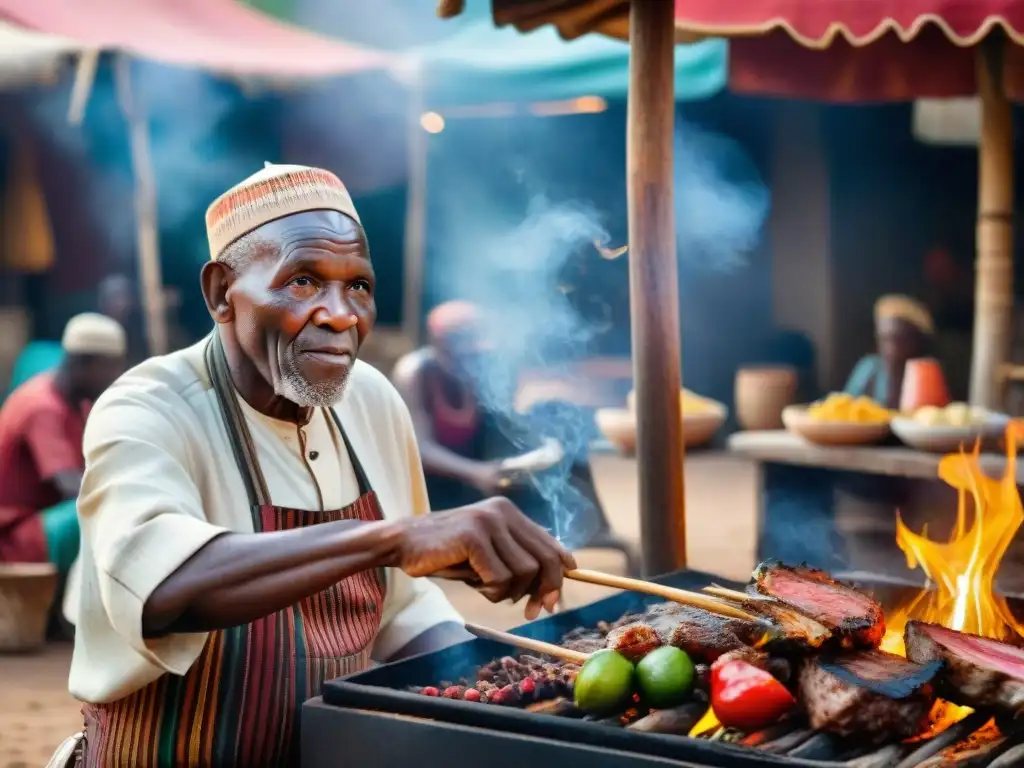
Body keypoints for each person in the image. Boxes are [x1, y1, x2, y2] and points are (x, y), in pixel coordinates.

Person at [50, 164, 574, 768]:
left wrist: (496, 683)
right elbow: (164, 589)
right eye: (302, 282)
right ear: (222, 292)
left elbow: (402, 605)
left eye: (358, 286)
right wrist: (392, 537)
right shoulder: (147, 406)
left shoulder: (372, 399)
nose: (341, 314)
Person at [392, 300, 639, 575]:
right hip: (441, 485)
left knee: (565, 443)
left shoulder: (483, 368)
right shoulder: (416, 372)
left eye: (476, 353)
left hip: (482, 470)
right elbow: (420, 448)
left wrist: (543, 443)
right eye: (462, 354)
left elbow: (503, 426)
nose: (471, 360)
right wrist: (477, 472)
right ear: (438, 346)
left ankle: (593, 530)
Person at [0, 313, 126, 573]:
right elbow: (72, 488)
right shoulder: (43, 407)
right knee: (106, 514)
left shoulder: (75, 402)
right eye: (110, 367)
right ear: (83, 363)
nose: (116, 377)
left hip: (37, 525)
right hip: (15, 538)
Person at [844, 294, 934, 409]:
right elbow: (845, 406)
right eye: (884, 339)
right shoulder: (869, 367)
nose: (890, 348)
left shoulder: (926, 372)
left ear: (916, 340)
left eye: (899, 339)